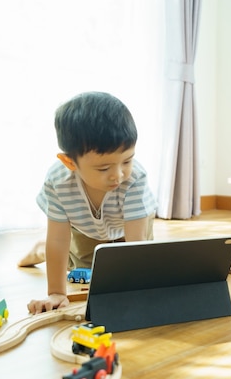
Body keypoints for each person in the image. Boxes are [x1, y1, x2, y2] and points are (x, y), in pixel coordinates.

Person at [20, 92, 157, 314]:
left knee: (129, 266)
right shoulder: (58, 182)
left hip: (130, 224)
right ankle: (41, 250)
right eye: (104, 168)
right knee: (87, 270)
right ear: (69, 162)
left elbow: (136, 244)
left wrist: (137, 290)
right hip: (85, 226)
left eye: (127, 160)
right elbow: (57, 238)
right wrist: (57, 292)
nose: (118, 175)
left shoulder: (135, 178)